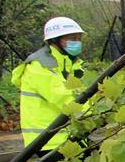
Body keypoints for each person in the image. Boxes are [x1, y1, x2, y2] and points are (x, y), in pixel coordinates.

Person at [11, 17, 86, 150]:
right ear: (55, 40)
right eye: (72, 38)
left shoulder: (72, 65)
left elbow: (83, 93)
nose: (77, 42)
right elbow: (63, 98)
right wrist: (99, 111)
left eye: (79, 38)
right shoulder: (39, 66)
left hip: (69, 134)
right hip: (49, 139)